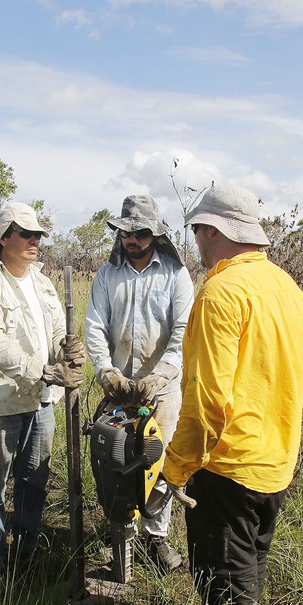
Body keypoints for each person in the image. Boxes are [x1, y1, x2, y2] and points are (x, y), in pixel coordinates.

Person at [163, 184, 303, 605]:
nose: (196, 241)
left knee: (224, 581)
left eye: (196, 231)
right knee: (250, 565)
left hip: (230, 467)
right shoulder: (287, 287)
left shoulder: (221, 293)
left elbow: (207, 401)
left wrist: (176, 468)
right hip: (277, 459)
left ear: (211, 230)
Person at [0, 201, 85, 573]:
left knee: (34, 482)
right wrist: (44, 372)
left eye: (38, 235)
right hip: (0, 401)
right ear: (3, 239)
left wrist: (67, 346)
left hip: (42, 401)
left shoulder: (44, 283)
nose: (35, 241)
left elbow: (54, 332)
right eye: (26, 234)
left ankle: (27, 553)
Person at [84, 194, 194, 573]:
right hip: (117, 390)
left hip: (161, 390)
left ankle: (156, 537)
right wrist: (105, 370)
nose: (134, 241)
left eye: (142, 233)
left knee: (157, 462)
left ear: (155, 234)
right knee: (117, 461)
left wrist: (159, 374)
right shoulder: (106, 275)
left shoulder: (175, 275)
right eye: (127, 233)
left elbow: (183, 333)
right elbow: (95, 326)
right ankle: (123, 538)